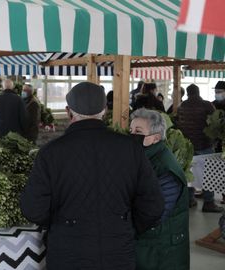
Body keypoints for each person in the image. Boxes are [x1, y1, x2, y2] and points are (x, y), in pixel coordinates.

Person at [20, 82, 164, 270]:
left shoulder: (50, 153)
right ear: (104, 111)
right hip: (118, 251)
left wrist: (63, 223)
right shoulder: (131, 149)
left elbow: (33, 209)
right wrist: (125, 226)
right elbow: (154, 205)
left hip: (67, 253)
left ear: (68, 112)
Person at [130, 109, 189, 270]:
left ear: (156, 137)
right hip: (147, 243)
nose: (132, 135)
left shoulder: (165, 168)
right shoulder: (144, 158)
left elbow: (155, 213)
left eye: (138, 131)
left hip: (162, 248)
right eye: (131, 130)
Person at [176, 84, 221, 212]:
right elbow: (214, 122)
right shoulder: (207, 105)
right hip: (204, 144)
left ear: (188, 93)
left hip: (187, 145)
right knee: (209, 174)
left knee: (190, 173)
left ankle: (190, 200)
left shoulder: (182, 106)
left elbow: (178, 123)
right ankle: (208, 203)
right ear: (198, 92)